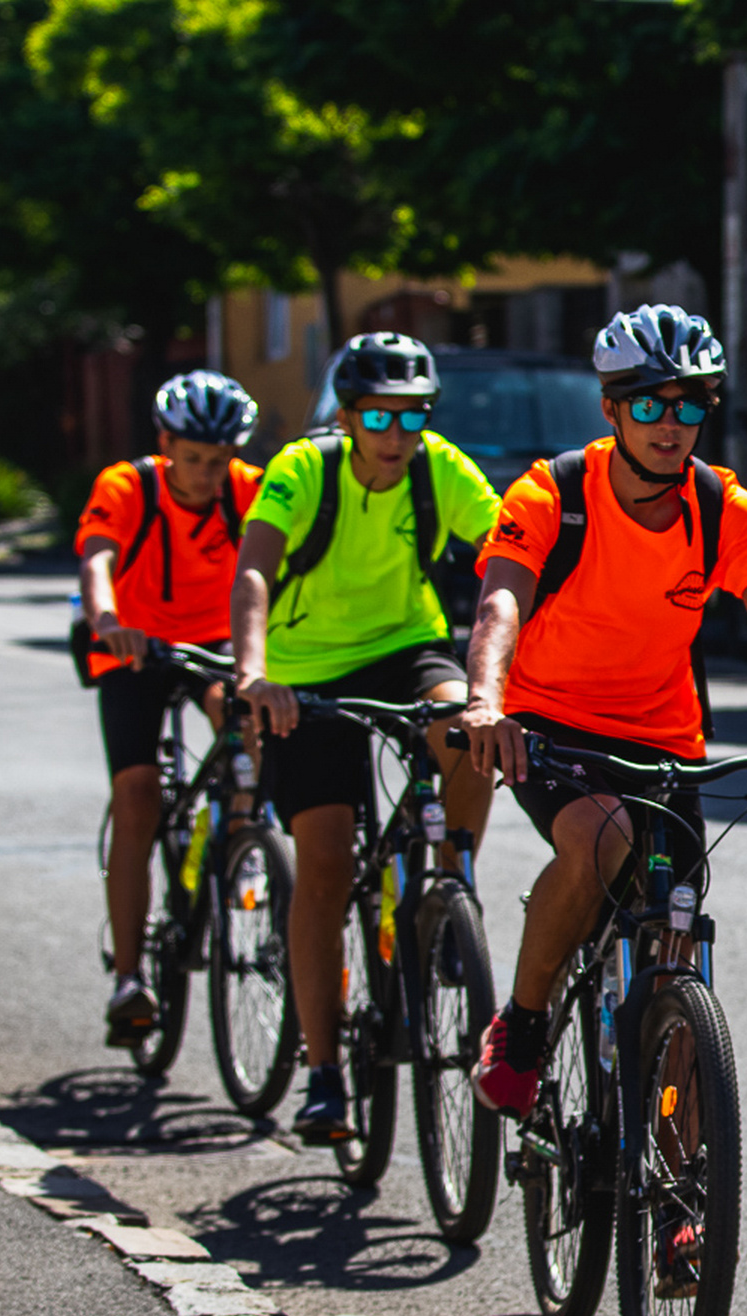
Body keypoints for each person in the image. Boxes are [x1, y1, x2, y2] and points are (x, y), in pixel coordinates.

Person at [460, 305, 747, 1147]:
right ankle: (525, 1027)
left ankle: (680, 1191)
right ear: (611, 408)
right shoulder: (553, 494)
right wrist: (485, 700)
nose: (671, 424)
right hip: (548, 724)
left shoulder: (722, 509)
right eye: (649, 404)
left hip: (664, 742)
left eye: (690, 404)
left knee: (676, 942)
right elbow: (502, 601)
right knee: (599, 836)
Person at [230, 332, 502, 1142]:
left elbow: (509, 560)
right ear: (348, 416)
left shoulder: (438, 468)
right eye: (379, 416)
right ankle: (323, 1076)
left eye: (413, 416)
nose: (396, 434)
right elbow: (253, 572)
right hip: (303, 671)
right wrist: (253, 675)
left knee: (469, 726)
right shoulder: (301, 472)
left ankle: (451, 876)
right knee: (324, 860)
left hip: (403, 649)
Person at [77, 370, 263, 1047]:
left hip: (216, 639)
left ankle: (243, 834)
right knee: (137, 797)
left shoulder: (248, 489)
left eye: (220, 461)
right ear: (165, 445)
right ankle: (130, 978)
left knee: (243, 717)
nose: (209, 474)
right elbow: (97, 560)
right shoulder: (127, 487)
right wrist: (106, 618)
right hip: (134, 644)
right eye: (194, 459)